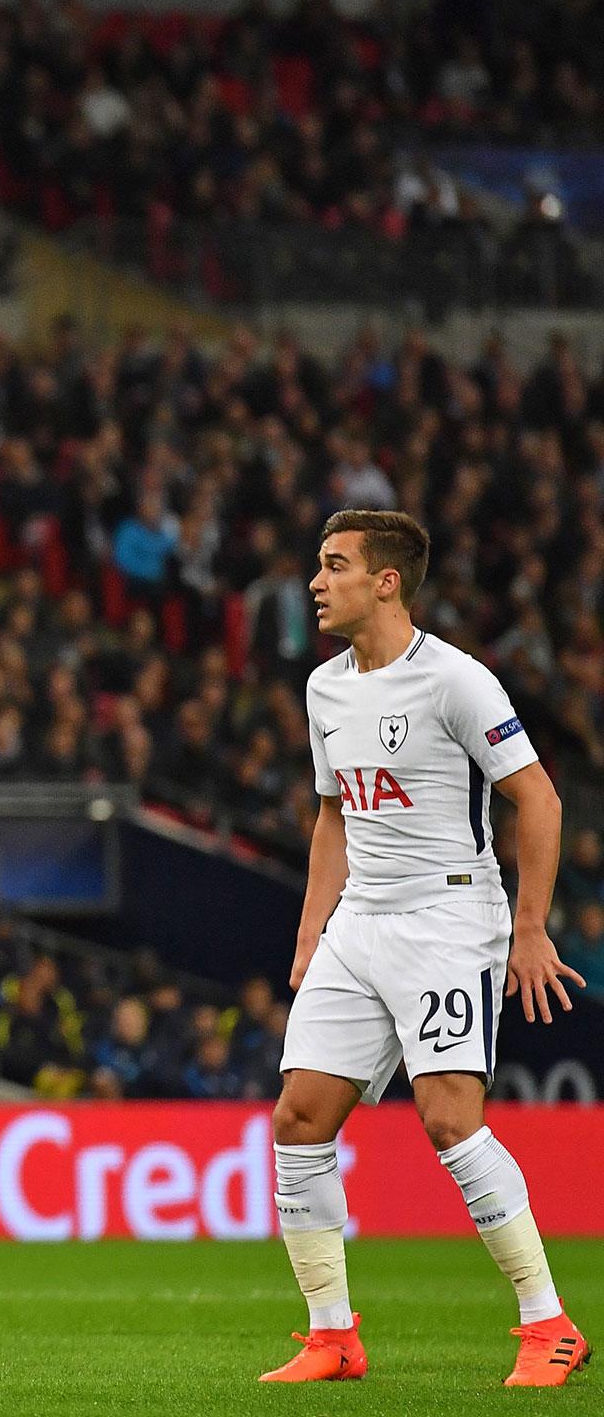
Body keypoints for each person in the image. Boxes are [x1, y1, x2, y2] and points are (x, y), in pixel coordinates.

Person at [264, 509, 588, 1388]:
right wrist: (309, 934)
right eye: (318, 564)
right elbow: (335, 813)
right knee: (298, 1118)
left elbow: (541, 801)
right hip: (358, 922)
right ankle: (331, 1336)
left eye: (334, 566)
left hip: (447, 921)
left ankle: (547, 1325)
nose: (315, 582)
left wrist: (527, 930)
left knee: (449, 1119)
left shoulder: (456, 681)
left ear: (386, 581)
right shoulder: (325, 688)